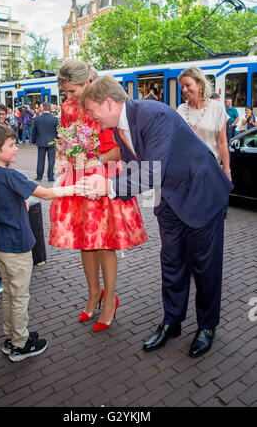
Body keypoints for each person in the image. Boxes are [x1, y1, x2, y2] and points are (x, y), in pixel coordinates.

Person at [78, 74, 233, 358]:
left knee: (205, 266)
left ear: (109, 103)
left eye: (90, 109)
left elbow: (152, 170)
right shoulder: (119, 130)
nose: (89, 116)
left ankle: (207, 326)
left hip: (201, 194)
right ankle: (172, 321)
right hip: (169, 200)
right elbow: (132, 170)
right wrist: (103, 188)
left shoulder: (153, 113)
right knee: (172, 262)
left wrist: (109, 187)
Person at [49, 60, 147, 332]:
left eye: (72, 91)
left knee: (105, 243)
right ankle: (94, 293)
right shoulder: (68, 108)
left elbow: (124, 148)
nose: (68, 98)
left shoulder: (107, 101)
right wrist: (64, 158)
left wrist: (96, 160)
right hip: (79, 177)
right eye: (65, 92)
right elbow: (66, 142)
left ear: (87, 83)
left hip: (107, 177)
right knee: (85, 240)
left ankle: (109, 301)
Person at [0, 123, 75, 362]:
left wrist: (20, 204)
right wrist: (75, 187)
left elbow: (3, 202)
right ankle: (20, 344)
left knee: (9, 294)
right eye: (11, 145)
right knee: (20, 297)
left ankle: (12, 336)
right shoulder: (10, 175)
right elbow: (46, 193)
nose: (16, 148)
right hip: (15, 245)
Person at [177, 67, 231, 181]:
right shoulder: (181, 109)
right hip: (186, 172)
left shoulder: (217, 108)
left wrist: (227, 170)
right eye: (182, 87)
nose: (184, 90)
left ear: (200, 84)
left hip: (210, 171)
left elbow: (222, 142)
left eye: (188, 85)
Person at [32, 101, 59, 182]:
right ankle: (50, 177)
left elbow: (34, 132)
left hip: (41, 142)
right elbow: (58, 131)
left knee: (40, 160)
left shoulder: (37, 119)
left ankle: (39, 176)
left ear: (42, 108)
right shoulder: (54, 119)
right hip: (52, 142)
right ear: (50, 109)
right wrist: (58, 140)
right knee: (51, 160)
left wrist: (33, 141)